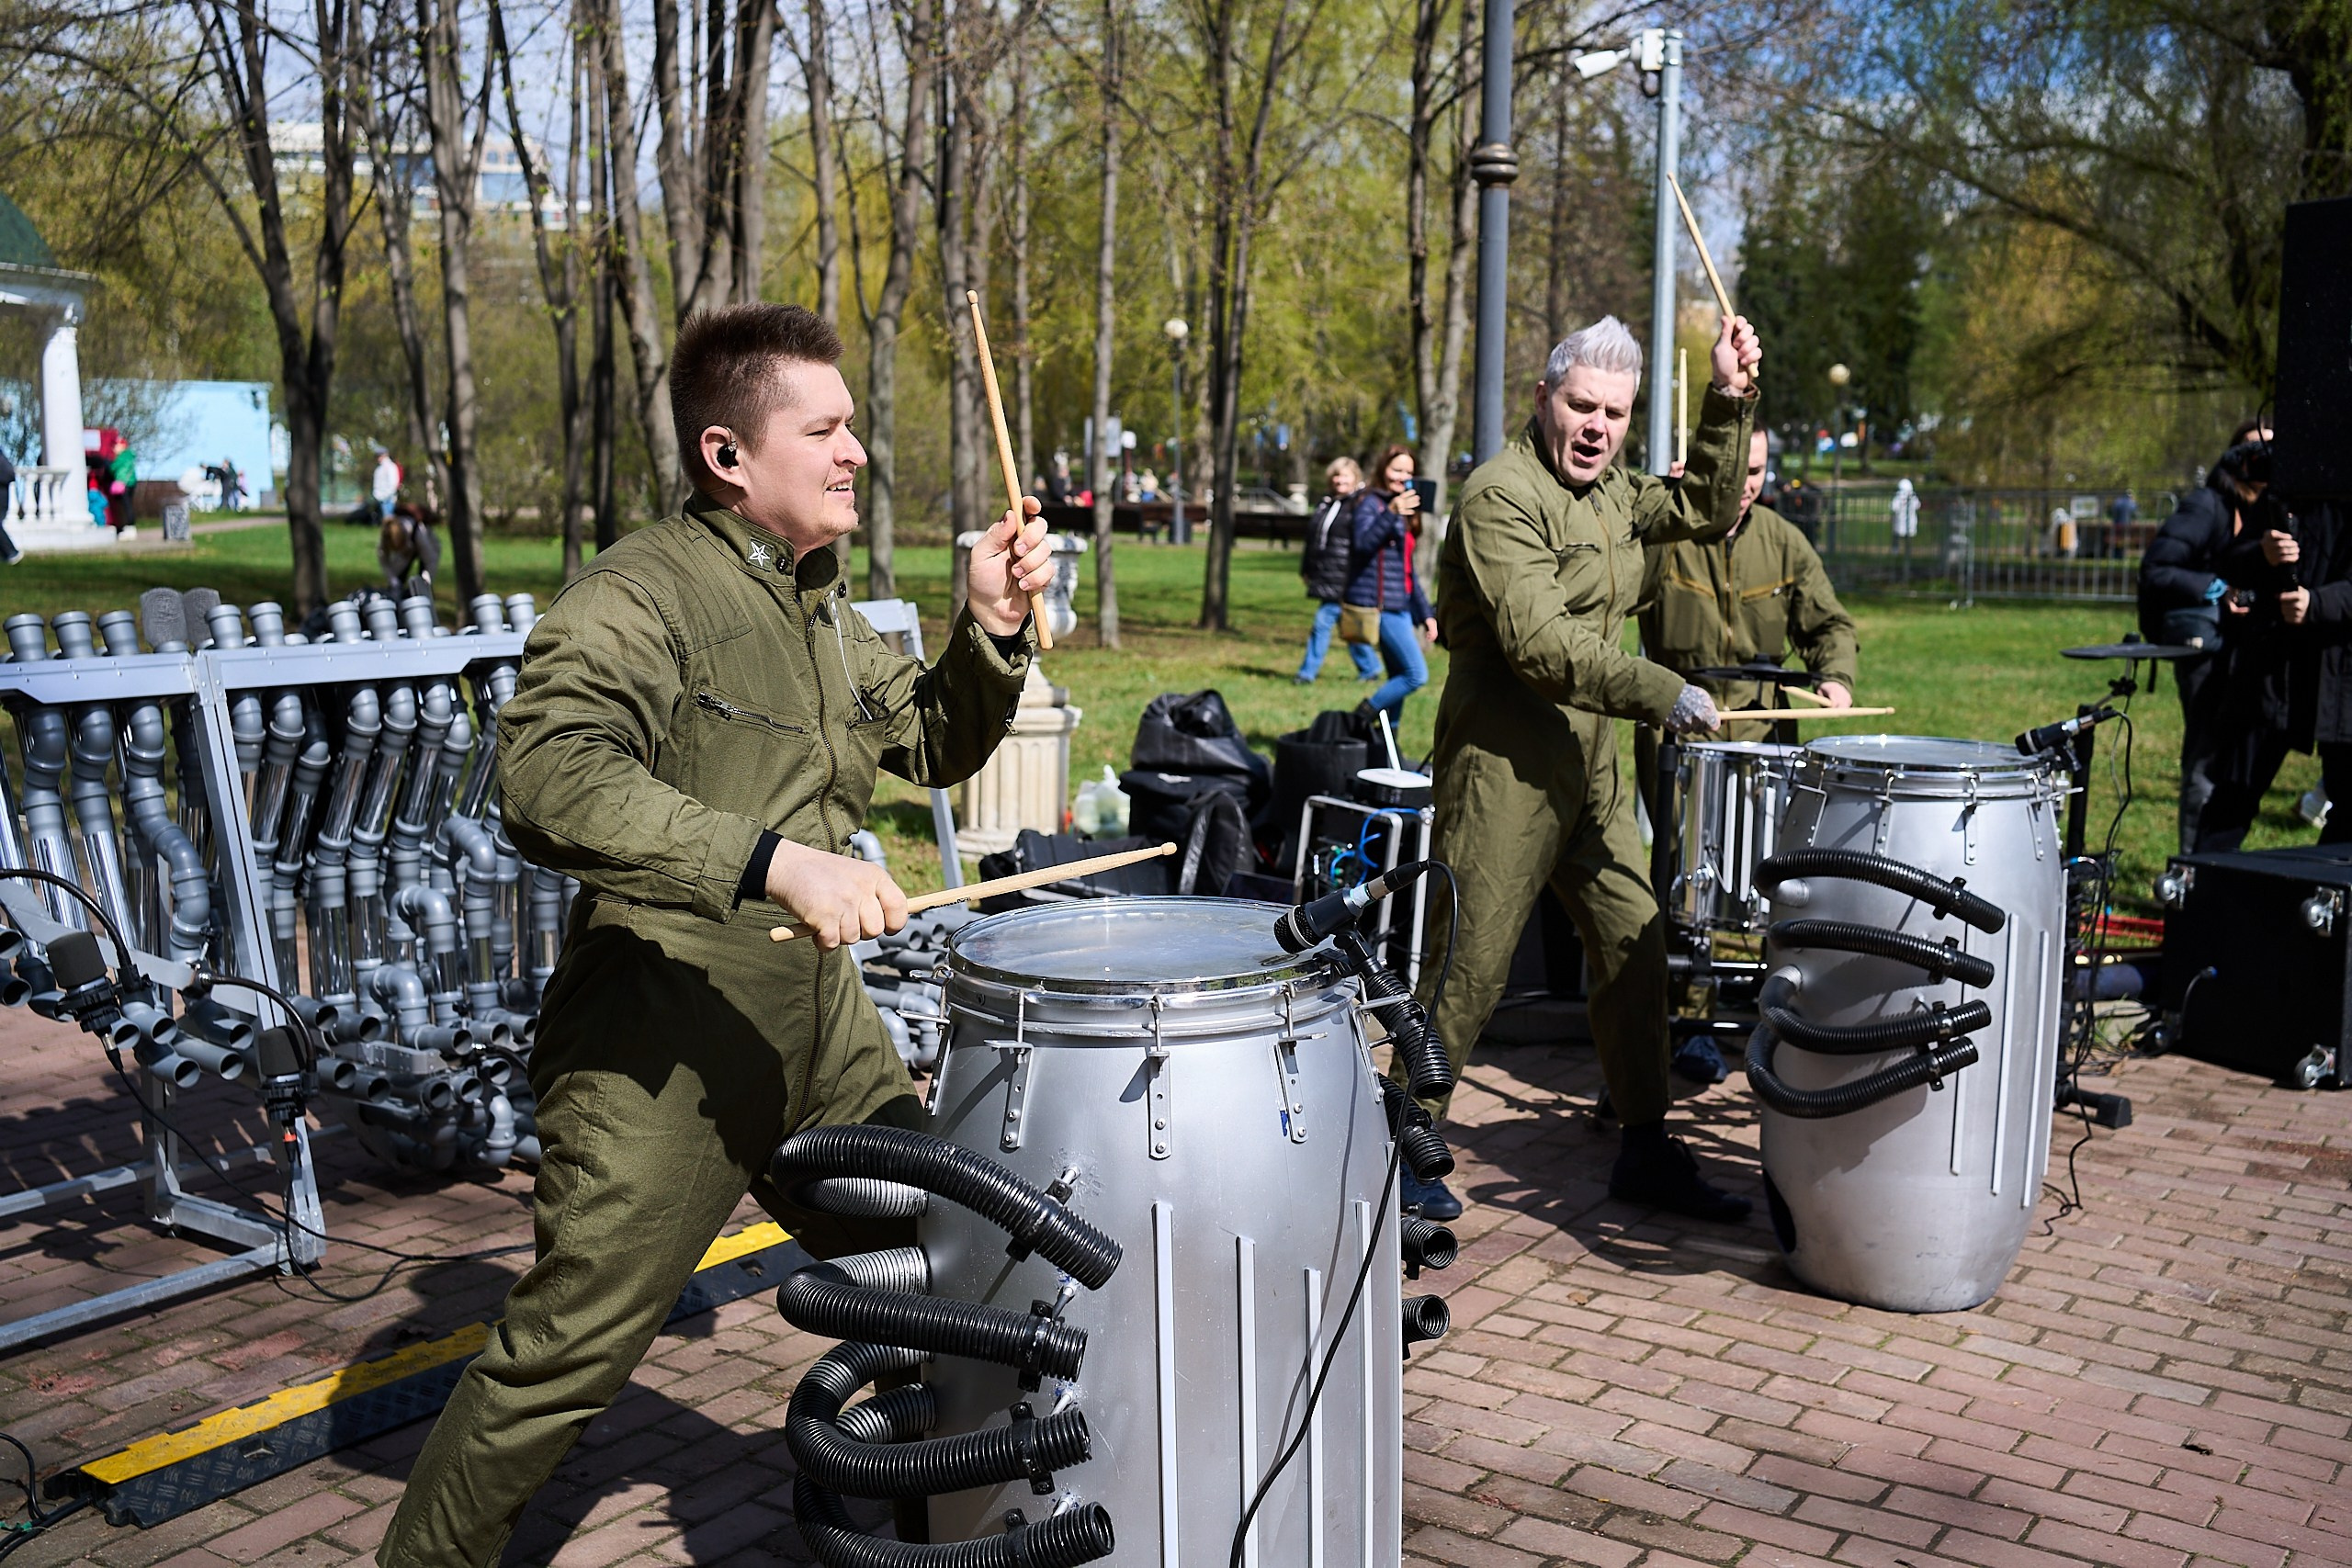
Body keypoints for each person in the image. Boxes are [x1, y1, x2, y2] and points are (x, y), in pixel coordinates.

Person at [375, 302, 1052, 1568]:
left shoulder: (816, 605)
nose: (856, 450)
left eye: (853, 426)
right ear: (729, 455)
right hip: (660, 1031)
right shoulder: (639, 593)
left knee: (954, 1268)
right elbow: (546, 773)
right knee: (561, 1356)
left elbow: (935, 737)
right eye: (827, 428)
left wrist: (992, 628)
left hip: (820, 1026)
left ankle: (943, 1518)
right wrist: (774, 860)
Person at [1401, 310, 1761, 1225]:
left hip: (1593, 765)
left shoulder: (1615, 494)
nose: (1597, 426)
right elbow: (1537, 642)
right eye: (1581, 405)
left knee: (1634, 942)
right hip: (1504, 763)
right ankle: (1400, 1147)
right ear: (1543, 398)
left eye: (1614, 411)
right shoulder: (1499, 495)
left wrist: (1726, 397)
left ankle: (1644, 1142)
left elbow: (1710, 507)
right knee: (1468, 963)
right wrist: (1658, 687)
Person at [1635, 423, 1859, 743]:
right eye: (1733, 470)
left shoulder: (1786, 542)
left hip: (1765, 738)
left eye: (1754, 471)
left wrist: (1836, 676)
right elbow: (1619, 596)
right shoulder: (1666, 535)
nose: (1743, 485)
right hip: (1680, 734)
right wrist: (1665, 507)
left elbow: (1828, 625)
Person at [2139, 420, 2271, 852]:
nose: (2264, 461)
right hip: (2206, 646)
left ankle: (2217, 866)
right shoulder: (2208, 505)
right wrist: (2218, 589)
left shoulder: (2269, 508)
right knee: (2206, 757)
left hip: (2247, 646)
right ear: (2233, 458)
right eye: (2254, 451)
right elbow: (2158, 567)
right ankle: (2194, 876)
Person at [1343, 445, 1437, 725]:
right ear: (1383, 469)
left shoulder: (1407, 509)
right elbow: (1362, 545)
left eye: (1409, 472)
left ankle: (1387, 755)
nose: (1402, 477)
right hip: (1380, 606)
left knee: (1399, 680)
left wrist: (1426, 615)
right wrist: (1391, 513)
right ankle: (1361, 717)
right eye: (1397, 469)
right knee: (1415, 675)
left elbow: (1407, 571)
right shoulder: (1369, 503)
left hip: (1401, 605)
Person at [1295, 457, 1385, 684]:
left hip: (1348, 577)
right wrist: (1307, 569)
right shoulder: (1326, 504)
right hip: (1327, 574)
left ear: (1355, 478)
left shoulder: (1360, 505)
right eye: (1336, 475)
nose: (1339, 480)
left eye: (1344, 475)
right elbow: (1313, 541)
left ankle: (1307, 673)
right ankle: (1370, 668)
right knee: (1348, 625)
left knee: (1323, 623)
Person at [378, 502, 442, 594]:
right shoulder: (386, 535)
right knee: (398, 576)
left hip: (430, 549)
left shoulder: (419, 533)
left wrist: (426, 581)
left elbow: (431, 560)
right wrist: (393, 581)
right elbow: (384, 560)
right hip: (408, 551)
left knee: (423, 587)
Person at [367, 446, 402, 526]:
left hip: (388, 499)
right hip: (380, 498)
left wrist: (385, 495)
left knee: (389, 522)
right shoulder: (379, 469)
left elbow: (393, 484)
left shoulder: (391, 467)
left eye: (380, 455)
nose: (378, 458)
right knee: (385, 522)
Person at [1890, 476, 1919, 547]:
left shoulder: (1898, 496)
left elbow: (1893, 507)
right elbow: (1918, 505)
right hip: (1910, 520)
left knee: (1896, 536)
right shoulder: (1913, 496)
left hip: (1900, 520)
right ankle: (1907, 551)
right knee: (1908, 537)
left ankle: (1895, 550)